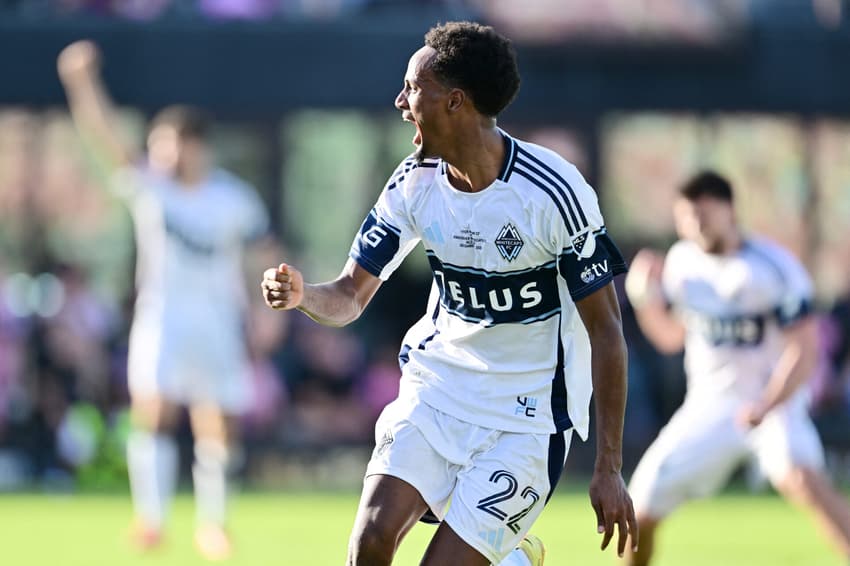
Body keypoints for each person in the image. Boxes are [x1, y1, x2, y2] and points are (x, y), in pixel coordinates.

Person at [261, 21, 637, 566]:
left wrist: (609, 466)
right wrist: (303, 295)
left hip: (525, 419)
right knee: (369, 540)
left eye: (412, 88)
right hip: (436, 393)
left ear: (455, 102)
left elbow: (607, 331)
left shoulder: (553, 193)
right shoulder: (414, 183)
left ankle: (511, 557)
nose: (400, 101)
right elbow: (350, 292)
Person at [57, 40, 271, 560]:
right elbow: (104, 136)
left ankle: (213, 526)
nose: (164, 155)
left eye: (173, 144)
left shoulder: (233, 199)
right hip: (163, 319)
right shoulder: (153, 187)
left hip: (217, 323)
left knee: (216, 425)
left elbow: (265, 254)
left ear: (198, 146)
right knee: (152, 415)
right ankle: (150, 521)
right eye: (159, 145)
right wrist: (80, 82)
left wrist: (269, 313)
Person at [624, 171, 850, 565]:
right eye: (687, 217)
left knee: (805, 483)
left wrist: (767, 403)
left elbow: (805, 347)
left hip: (773, 402)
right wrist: (647, 303)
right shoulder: (682, 262)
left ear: (730, 211)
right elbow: (672, 338)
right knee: (639, 508)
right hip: (709, 407)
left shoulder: (772, 266)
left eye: (705, 215)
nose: (696, 225)